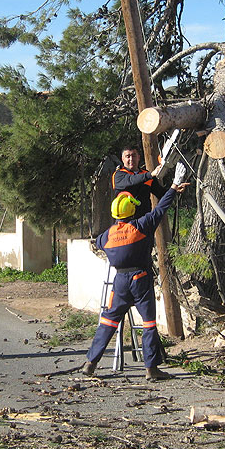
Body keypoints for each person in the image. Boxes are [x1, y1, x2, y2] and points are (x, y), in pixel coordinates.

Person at [84, 163, 189, 380]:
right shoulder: (142, 225)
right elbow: (162, 207)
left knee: (108, 321)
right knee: (149, 323)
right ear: (132, 209)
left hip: (119, 281)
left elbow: (100, 243)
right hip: (140, 278)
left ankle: (90, 363)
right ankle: (151, 369)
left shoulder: (106, 236)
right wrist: (174, 185)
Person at [112, 146, 166, 218]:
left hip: (144, 221)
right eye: (128, 156)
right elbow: (131, 180)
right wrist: (150, 174)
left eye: (134, 156)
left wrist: (174, 189)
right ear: (123, 159)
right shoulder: (119, 175)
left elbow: (161, 193)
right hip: (125, 221)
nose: (131, 159)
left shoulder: (146, 175)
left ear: (138, 157)